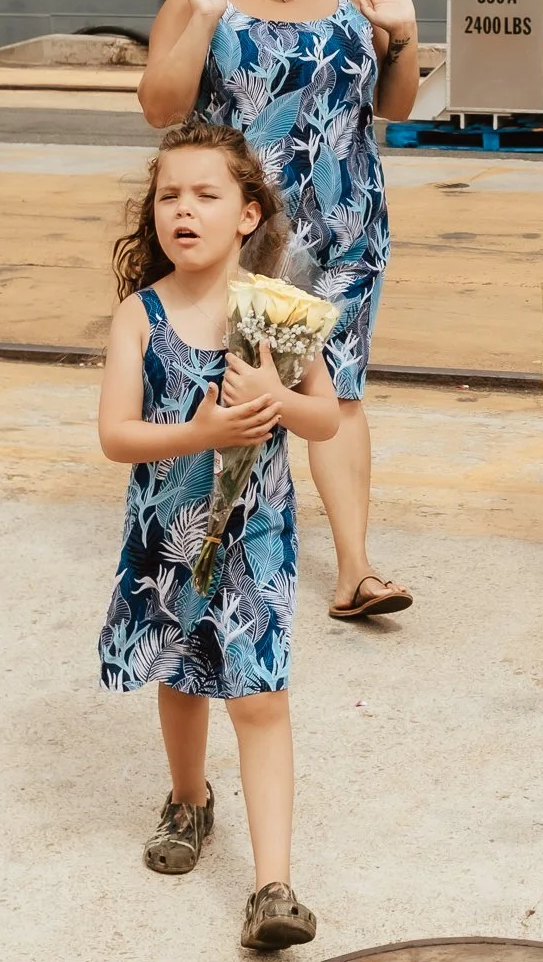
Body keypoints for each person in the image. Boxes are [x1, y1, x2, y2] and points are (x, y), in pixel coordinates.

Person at [138, 0, 420, 623]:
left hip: (348, 228)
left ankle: (357, 571)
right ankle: (198, 551)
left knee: (340, 388)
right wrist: (197, 20)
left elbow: (392, 106)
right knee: (230, 391)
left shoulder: (351, 1)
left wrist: (404, 38)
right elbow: (160, 107)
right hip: (245, 233)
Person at [98, 119, 340, 951]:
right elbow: (117, 436)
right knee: (180, 673)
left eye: (206, 194)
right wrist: (202, 434)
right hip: (167, 537)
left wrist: (277, 399)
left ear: (247, 214)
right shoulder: (141, 315)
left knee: (261, 698)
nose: (184, 210)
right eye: (170, 196)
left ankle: (273, 884)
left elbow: (325, 422)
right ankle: (190, 799)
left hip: (257, 538)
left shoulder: (277, 314)